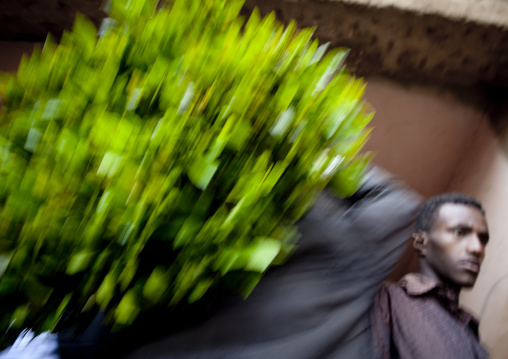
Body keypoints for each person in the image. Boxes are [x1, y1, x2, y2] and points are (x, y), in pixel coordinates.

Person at [371, 193, 490, 358]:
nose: (478, 248)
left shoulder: (469, 328)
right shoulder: (385, 300)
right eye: (460, 232)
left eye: (483, 239)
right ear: (421, 242)